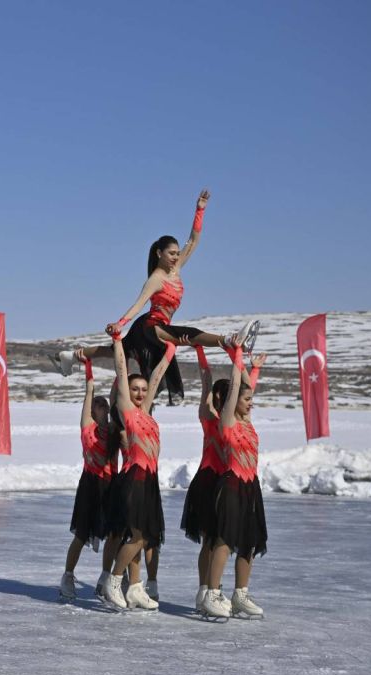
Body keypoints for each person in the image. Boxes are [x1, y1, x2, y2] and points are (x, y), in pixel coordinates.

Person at [54, 190, 259, 402]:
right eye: (172, 253)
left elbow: (194, 240)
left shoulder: (176, 268)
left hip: (158, 325)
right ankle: (228, 340)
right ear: (159, 253)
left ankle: (70, 356)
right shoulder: (156, 279)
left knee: (116, 351)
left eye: (177, 253)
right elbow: (139, 303)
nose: (176, 257)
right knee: (188, 333)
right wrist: (120, 323)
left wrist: (200, 209)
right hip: (149, 327)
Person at [98, 333, 174, 611]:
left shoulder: (148, 414)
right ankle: (114, 581)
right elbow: (121, 368)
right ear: (125, 393)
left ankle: (136, 587)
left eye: (143, 389)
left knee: (145, 536)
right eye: (135, 389)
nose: (141, 393)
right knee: (138, 536)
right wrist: (119, 342)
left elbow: (156, 378)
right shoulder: (127, 411)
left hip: (149, 480)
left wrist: (170, 352)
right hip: (135, 479)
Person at [201, 343, 269, 619]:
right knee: (225, 540)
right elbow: (235, 394)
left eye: (251, 399)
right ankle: (212, 593)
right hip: (230, 484)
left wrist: (255, 369)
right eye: (246, 399)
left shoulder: (248, 421)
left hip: (251, 487)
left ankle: (240, 594)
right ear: (233, 401)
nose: (250, 402)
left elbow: (245, 390)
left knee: (249, 542)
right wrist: (237, 357)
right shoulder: (228, 421)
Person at [58, 357, 116, 601]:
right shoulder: (87, 427)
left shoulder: (114, 429)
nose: (103, 406)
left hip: (111, 484)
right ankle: (68, 576)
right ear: (92, 410)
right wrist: (88, 365)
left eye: (105, 404)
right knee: (81, 534)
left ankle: (105, 578)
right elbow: (89, 388)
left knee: (113, 533)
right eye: (98, 404)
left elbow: (118, 392)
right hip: (90, 484)